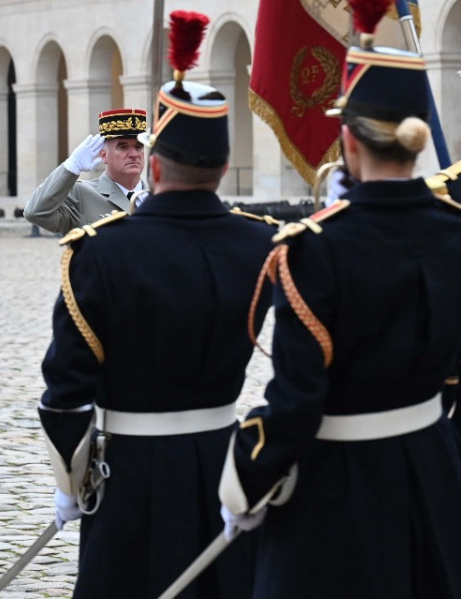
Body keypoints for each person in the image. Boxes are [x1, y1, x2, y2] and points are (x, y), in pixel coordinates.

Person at [218, 6, 461, 596]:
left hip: (341, 488)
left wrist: (247, 482)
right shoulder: (453, 231)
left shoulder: (316, 250)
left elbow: (297, 403)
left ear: (348, 138)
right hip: (434, 468)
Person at [37, 11, 273, 598]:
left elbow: (66, 388)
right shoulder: (262, 243)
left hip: (132, 469)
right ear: (222, 167)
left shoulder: (99, 253)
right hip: (223, 458)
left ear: (157, 163)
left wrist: (70, 476)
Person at [23, 108, 148, 233]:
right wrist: (72, 166)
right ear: (104, 155)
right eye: (123, 147)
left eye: (138, 147)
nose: (133, 154)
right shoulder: (80, 194)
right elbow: (36, 213)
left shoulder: (157, 197)